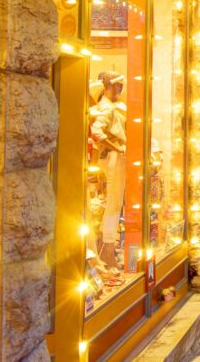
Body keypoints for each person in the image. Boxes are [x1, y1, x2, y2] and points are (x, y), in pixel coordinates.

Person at [90, 71, 127, 269]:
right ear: (106, 86)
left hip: (120, 155)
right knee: (113, 202)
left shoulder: (117, 106)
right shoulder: (105, 108)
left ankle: (109, 247)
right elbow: (97, 132)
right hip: (115, 157)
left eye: (120, 85)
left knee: (116, 202)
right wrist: (117, 147)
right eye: (115, 85)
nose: (119, 89)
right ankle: (107, 248)